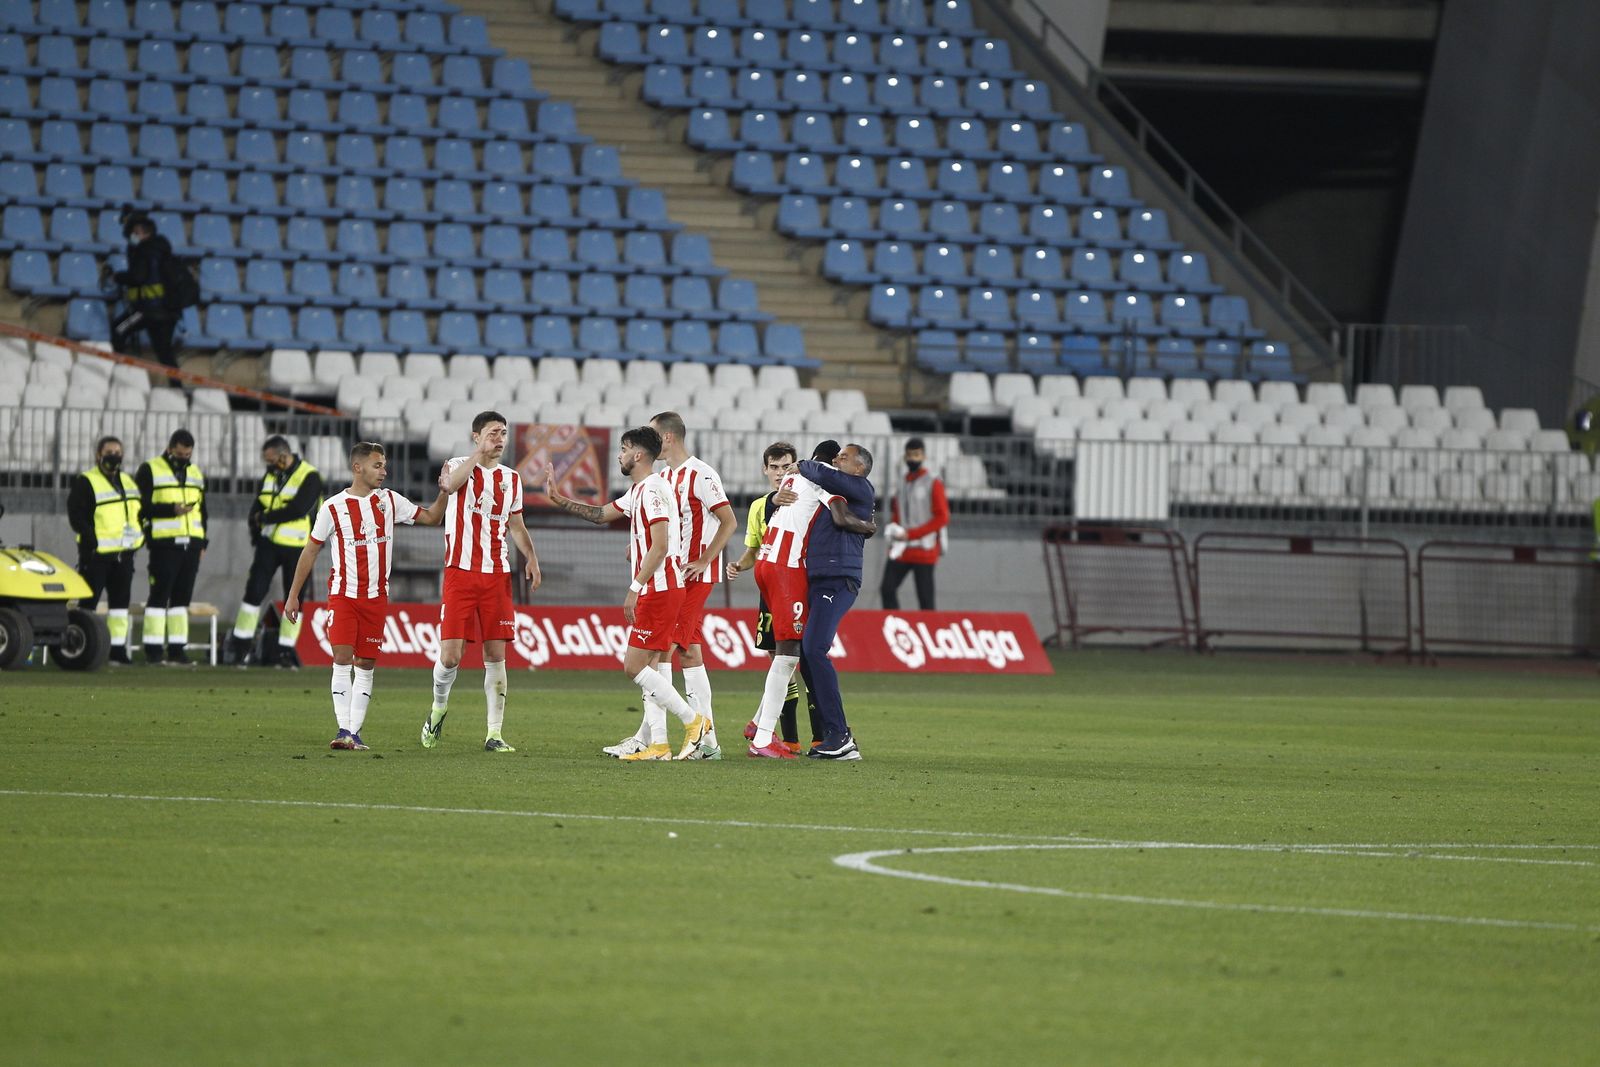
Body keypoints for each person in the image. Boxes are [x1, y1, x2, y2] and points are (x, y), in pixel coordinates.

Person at [545, 427, 710, 761]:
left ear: (637, 455)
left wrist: (634, 588)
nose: (618, 455)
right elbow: (602, 514)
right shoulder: (643, 489)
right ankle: (659, 744)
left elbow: (661, 545)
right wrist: (560, 499)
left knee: (634, 666)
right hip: (663, 588)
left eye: (623, 449)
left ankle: (695, 722)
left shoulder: (650, 491)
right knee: (657, 666)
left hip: (659, 589)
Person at [283, 442, 446, 750]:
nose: (383, 471)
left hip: (376, 598)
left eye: (384, 465)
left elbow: (432, 518)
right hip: (344, 594)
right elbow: (311, 550)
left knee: (366, 664)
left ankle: (354, 733)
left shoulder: (390, 501)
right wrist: (294, 595)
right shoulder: (332, 507)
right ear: (357, 468)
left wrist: (445, 491)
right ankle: (343, 730)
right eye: (377, 465)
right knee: (342, 659)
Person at [601, 411, 737, 760]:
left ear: (667, 438)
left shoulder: (702, 474)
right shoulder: (662, 479)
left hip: (693, 575)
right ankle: (690, 741)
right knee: (683, 651)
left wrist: (706, 559)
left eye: (652, 433)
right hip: (674, 574)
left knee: (665, 653)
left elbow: (729, 521)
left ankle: (691, 736)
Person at [739, 441, 876, 760]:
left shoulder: (791, 479)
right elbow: (841, 515)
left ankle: (763, 724)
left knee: (792, 650)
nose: (839, 461)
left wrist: (783, 484)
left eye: (847, 457)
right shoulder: (821, 476)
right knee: (790, 654)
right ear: (829, 460)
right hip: (787, 568)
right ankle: (763, 737)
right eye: (837, 456)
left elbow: (772, 508)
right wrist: (869, 527)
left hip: (767, 561)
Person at [420, 411, 543, 754]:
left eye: (503, 433)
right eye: (492, 433)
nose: (499, 439)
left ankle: (494, 733)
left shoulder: (511, 479)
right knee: (450, 656)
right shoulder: (456, 464)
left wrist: (531, 558)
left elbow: (516, 525)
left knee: (496, 655)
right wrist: (478, 456)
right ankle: (438, 709)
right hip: (460, 572)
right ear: (476, 437)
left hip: (496, 575)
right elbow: (449, 486)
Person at [725, 441, 817, 752]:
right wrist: (740, 564)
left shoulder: (804, 495)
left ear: (795, 465)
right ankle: (772, 732)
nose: (779, 473)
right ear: (765, 470)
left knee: (787, 661)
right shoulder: (759, 507)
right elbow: (754, 551)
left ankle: (764, 725)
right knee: (782, 660)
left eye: (785, 466)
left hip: (794, 585)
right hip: (773, 591)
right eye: (773, 467)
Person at [792, 442, 878, 760]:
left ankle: (840, 736)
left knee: (815, 649)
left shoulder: (859, 486)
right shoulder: (838, 491)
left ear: (859, 468)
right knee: (807, 657)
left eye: (844, 457)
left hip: (838, 578)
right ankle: (833, 735)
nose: (836, 460)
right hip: (821, 578)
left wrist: (803, 463)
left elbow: (813, 468)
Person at [229, 435, 323, 669]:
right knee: (253, 593)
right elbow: (258, 506)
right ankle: (239, 649)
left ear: (283, 455)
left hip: (298, 548)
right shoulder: (272, 474)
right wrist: (256, 530)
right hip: (268, 544)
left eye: (270, 460)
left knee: (295, 600)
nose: (268, 465)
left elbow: (298, 509)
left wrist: (266, 518)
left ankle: (285, 652)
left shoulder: (309, 476)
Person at [66, 435, 143, 666]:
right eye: (109, 452)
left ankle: (116, 650)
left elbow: (137, 513)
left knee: (120, 605)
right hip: (97, 555)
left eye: (118, 452)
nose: (114, 456)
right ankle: (81, 646)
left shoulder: (128, 481)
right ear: (98, 455)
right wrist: (93, 541)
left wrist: (139, 539)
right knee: (88, 604)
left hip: (123, 555)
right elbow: (76, 517)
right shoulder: (86, 481)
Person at [135, 428, 205, 666]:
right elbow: (140, 507)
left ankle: (177, 650)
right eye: (180, 453)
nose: (184, 458)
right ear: (170, 448)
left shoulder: (195, 472)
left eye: (188, 454)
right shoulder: (150, 469)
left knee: (181, 599)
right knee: (159, 595)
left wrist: (202, 542)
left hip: (191, 545)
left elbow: (202, 511)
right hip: (164, 544)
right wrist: (170, 511)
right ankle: (153, 651)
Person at [881, 437, 948, 610]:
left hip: (924, 548)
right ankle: (894, 626)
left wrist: (913, 534)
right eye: (910, 455)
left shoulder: (933, 481)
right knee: (887, 589)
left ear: (924, 456)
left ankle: (928, 633)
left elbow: (942, 517)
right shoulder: (903, 481)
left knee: (926, 600)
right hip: (902, 547)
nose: (913, 459)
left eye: (917, 455)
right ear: (905, 457)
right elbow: (898, 512)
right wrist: (894, 534)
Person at [108, 214, 181, 368]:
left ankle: (117, 370)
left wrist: (117, 277)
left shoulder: (144, 251)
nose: (132, 236)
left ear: (145, 233)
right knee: (164, 353)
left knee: (118, 329)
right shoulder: (164, 250)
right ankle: (177, 388)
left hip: (146, 311)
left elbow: (137, 277)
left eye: (136, 233)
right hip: (168, 312)